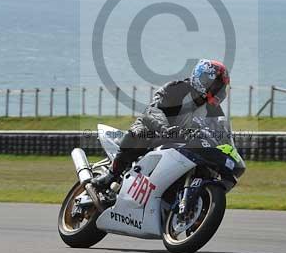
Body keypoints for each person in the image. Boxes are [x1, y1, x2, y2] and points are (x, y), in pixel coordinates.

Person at [91, 59, 230, 190]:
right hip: (156, 131)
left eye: (220, 87)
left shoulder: (213, 109)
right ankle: (112, 174)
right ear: (203, 80)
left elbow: (220, 132)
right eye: (215, 85)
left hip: (181, 142)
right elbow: (153, 110)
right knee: (140, 134)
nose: (217, 90)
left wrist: (226, 146)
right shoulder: (176, 89)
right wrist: (165, 129)